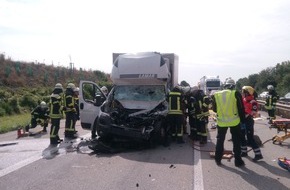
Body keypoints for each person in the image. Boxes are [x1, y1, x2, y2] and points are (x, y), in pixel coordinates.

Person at [212, 77, 245, 167]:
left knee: (220, 141)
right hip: (234, 122)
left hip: (221, 122)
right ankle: (238, 161)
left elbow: (214, 109)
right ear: (233, 86)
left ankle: (218, 159)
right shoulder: (235, 93)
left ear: (225, 86)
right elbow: (241, 108)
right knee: (236, 141)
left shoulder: (216, 94)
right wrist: (243, 121)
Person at [240, 86, 263, 161]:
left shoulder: (253, 102)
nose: (242, 93)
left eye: (243, 92)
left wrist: (246, 114)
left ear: (247, 93)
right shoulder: (243, 100)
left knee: (250, 138)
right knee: (242, 137)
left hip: (248, 121)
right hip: (243, 121)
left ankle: (258, 154)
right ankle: (244, 152)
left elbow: (254, 112)